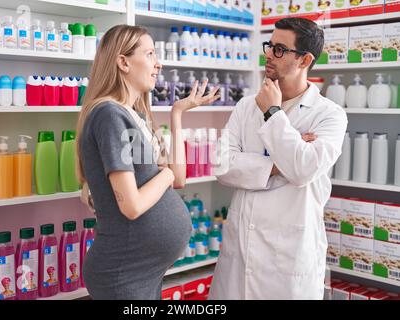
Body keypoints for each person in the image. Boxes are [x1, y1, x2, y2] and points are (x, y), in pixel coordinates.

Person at [76, 25, 219, 300]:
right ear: (123, 62)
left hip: (144, 270)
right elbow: (132, 205)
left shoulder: (134, 116)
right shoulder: (109, 115)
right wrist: (164, 175)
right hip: (122, 272)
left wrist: (177, 113)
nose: (158, 63)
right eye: (150, 53)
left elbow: (178, 178)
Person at [209, 18, 348, 300]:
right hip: (241, 254)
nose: (269, 54)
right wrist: (276, 165)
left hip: (288, 260)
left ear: (305, 59)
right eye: (270, 46)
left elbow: (303, 169)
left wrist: (273, 113)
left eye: (280, 49)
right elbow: (222, 165)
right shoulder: (246, 106)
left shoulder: (329, 115)